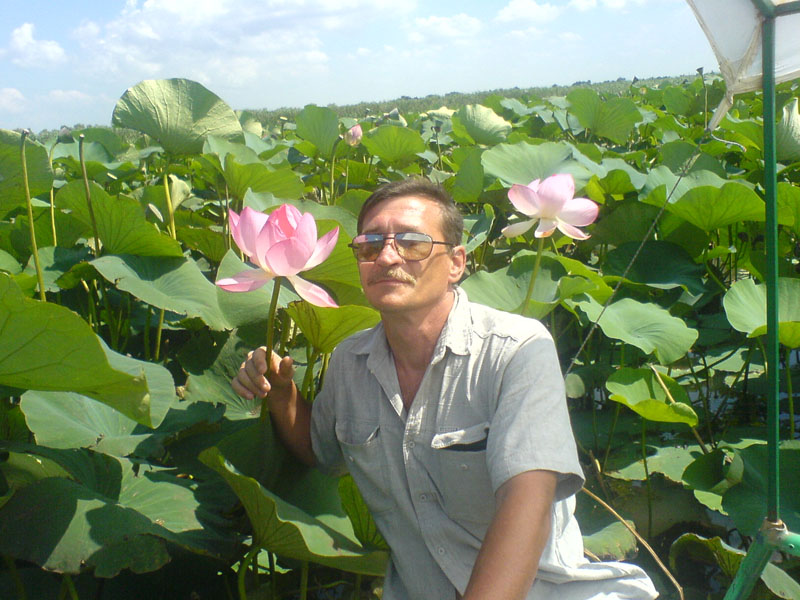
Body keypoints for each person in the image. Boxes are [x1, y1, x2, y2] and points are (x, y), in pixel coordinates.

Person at [232, 178, 658, 600]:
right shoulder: (348, 361)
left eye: (412, 243)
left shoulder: (518, 350)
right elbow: (319, 450)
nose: (386, 256)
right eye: (370, 245)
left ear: (456, 262)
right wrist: (281, 392)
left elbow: (526, 506)